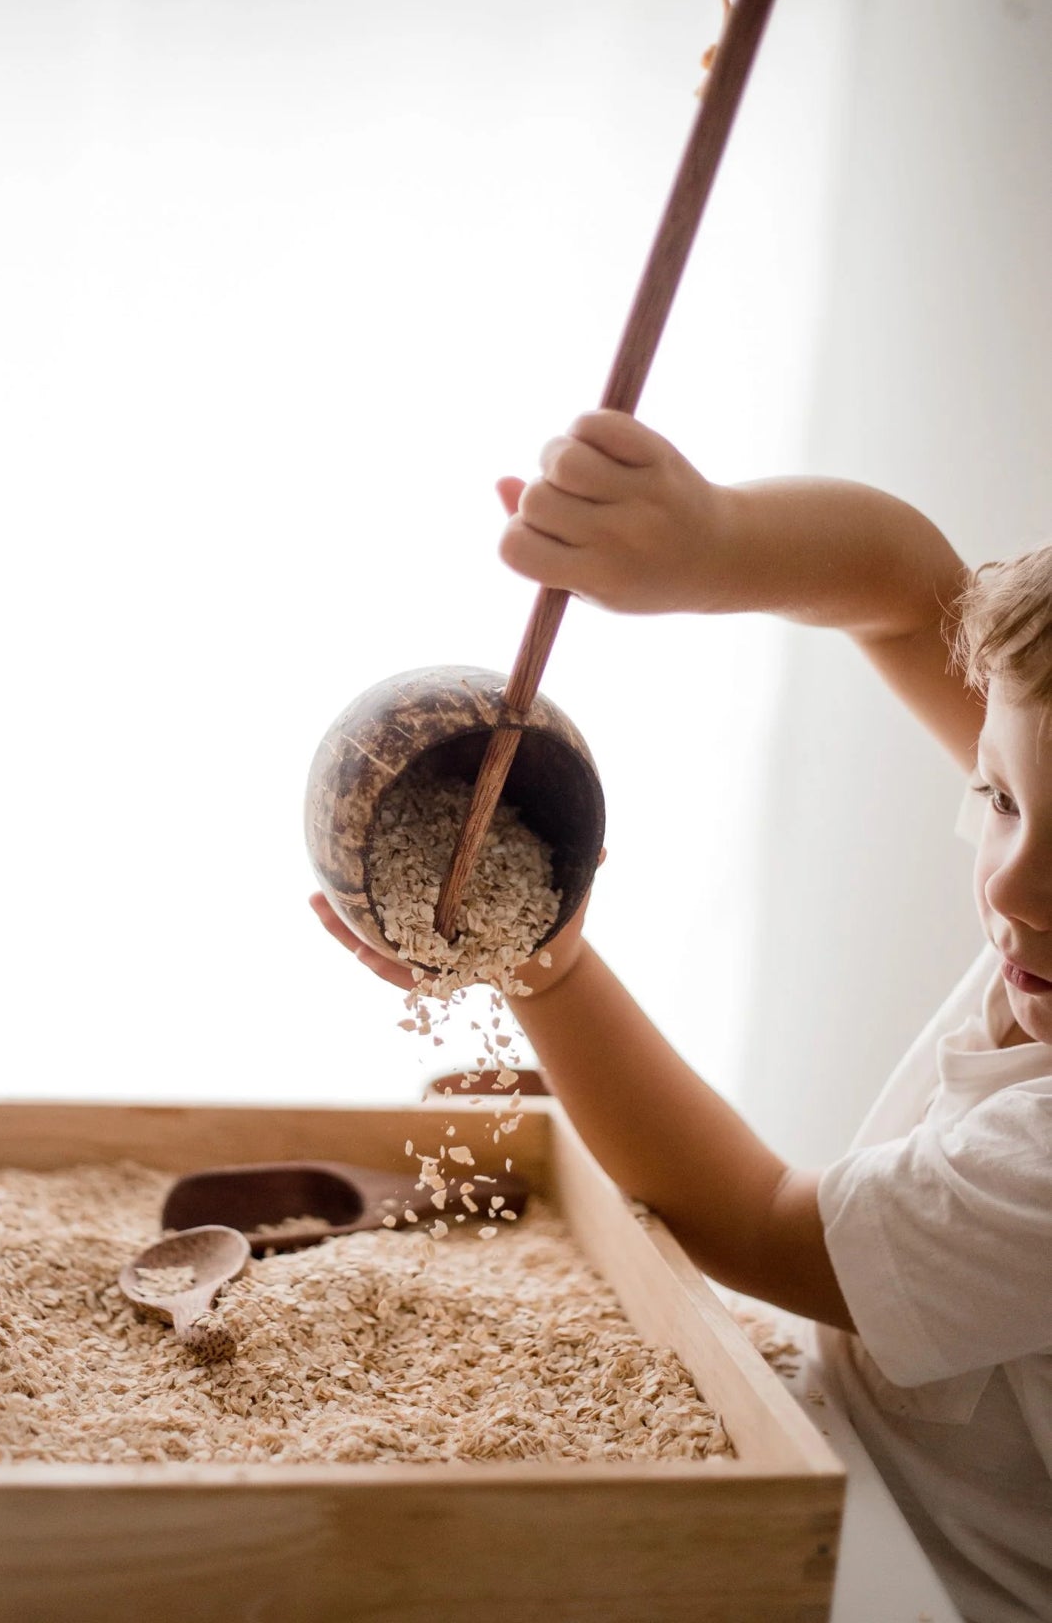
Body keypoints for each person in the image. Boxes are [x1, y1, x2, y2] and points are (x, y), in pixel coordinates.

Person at [309, 410, 1052, 1623]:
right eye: (1001, 795)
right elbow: (907, 588)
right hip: (840, 1438)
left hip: (927, 1578)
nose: (1013, 883)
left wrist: (543, 971)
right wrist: (712, 540)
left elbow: (757, 1220)